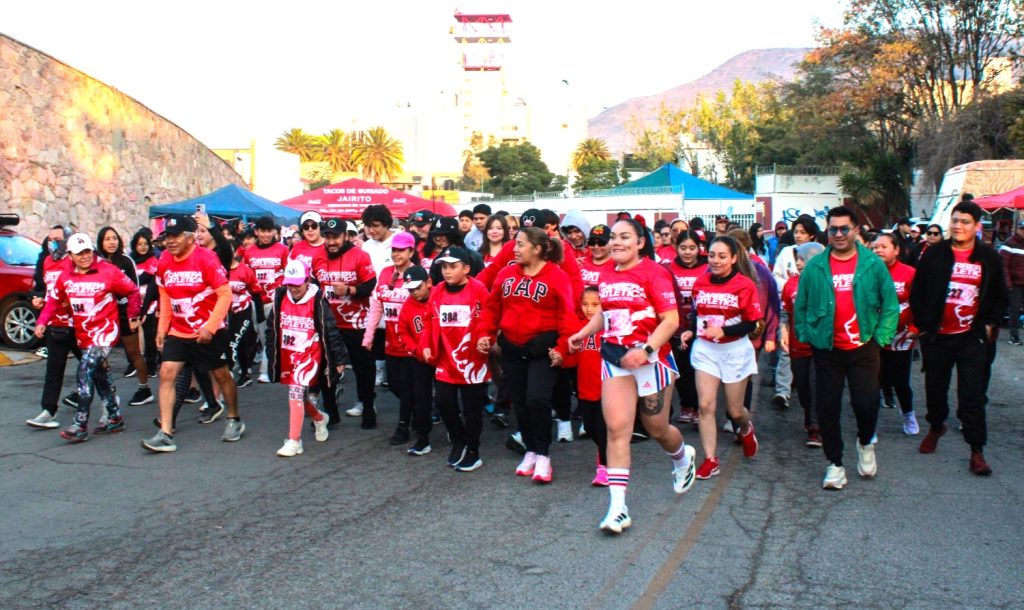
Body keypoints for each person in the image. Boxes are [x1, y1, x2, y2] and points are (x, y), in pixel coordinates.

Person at [568, 219, 695, 535]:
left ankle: (682, 457)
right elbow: (605, 311)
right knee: (616, 429)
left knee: (656, 428)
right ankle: (618, 508)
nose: (617, 242)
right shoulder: (607, 273)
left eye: (625, 237)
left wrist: (647, 350)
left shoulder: (655, 273)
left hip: (653, 361)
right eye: (614, 237)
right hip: (615, 359)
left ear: (640, 242)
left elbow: (670, 320)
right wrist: (583, 333)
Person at [794, 206, 898, 490]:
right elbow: (800, 306)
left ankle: (865, 443)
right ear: (827, 232)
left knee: (865, 404)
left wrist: (880, 339)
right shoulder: (815, 267)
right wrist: (808, 335)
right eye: (833, 229)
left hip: (864, 347)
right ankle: (835, 464)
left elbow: (890, 305)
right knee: (827, 407)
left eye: (843, 229)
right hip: (827, 349)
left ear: (855, 231)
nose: (838, 234)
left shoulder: (872, 264)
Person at [911, 201, 1007, 475]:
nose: (957, 226)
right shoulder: (934, 254)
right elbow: (918, 291)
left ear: (976, 226)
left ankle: (976, 451)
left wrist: (990, 324)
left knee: (972, 396)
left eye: (965, 221)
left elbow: (1000, 296)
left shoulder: (989, 257)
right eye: (954, 220)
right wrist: (923, 325)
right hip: (937, 338)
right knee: (935, 391)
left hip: (971, 339)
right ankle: (936, 425)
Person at [477, 228, 576, 483]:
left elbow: (567, 315)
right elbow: (491, 308)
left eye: (521, 244)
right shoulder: (506, 273)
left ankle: (543, 454)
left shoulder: (557, 276)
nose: (515, 249)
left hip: (543, 349)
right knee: (519, 401)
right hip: (511, 347)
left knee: (537, 399)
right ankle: (530, 450)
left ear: (538, 248)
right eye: (515, 244)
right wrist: (484, 334)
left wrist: (563, 347)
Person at [142, 215, 243, 452]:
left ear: (190, 238)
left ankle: (234, 417)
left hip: (209, 329)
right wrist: (162, 328)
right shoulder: (165, 260)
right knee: (167, 372)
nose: (170, 241)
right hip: (179, 330)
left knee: (221, 375)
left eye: (176, 236)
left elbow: (225, 294)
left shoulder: (206, 258)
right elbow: (165, 295)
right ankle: (166, 432)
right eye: (168, 236)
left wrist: (210, 326)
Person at [35, 233, 141, 442]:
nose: (84, 257)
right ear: (70, 256)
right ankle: (114, 416)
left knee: (84, 372)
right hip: (83, 334)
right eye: (79, 253)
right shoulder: (65, 276)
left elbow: (133, 291)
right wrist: (41, 321)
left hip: (105, 332)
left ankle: (80, 423)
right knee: (100, 375)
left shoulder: (108, 271)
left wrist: (133, 315)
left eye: (87, 252)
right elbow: (53, 301)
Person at [683, 236, 763, 479]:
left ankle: (746, 428)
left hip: (735, 351)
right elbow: (698, 313)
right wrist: (690, 329)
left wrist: (725, 331)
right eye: (712, 255)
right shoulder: (700, 282)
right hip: (706, 350)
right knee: (705, 405)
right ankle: (710, 459)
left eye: (722, 256)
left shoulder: (744, 285)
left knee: (735, 410)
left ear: (734, 258)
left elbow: (752, 323)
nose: (715, 261)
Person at [265, 260, 348, 457]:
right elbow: (271, 330)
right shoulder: (279, 297)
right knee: (299, 396)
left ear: (308, 280)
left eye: (298, 283)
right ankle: (320, 418)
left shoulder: (317, 300)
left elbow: (330, 330)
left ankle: (294, 440)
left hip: (310, 354)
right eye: (290, 284)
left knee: (295, 391)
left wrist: (339, 359)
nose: (293, 288)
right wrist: (271, 355)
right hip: (287, 353)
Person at [420, 246, 491, 472]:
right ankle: (458, 440)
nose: (447, 272)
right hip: (445, 361)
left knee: (472, 410)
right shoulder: (438, 291)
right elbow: (429, 320)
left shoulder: (479, 289)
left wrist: (483, 338)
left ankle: (473, 450)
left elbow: (487, 319)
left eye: (453, 267)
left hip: (473, 362)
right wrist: (427, 346)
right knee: (444, 403)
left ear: (466, 268)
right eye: (444, 267)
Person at [318, 217, 378, 428]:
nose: (331, 241)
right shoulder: (317, 257)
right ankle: (330, 412)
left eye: (335, 237)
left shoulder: (360, 256)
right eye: (327, 237)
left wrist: (350, 290)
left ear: (346, 236)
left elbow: (371, 285)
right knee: (326, 369)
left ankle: (368, 407)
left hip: (356, 324)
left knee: (364, 370)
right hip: (328, 325)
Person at [362, 231, 419, 444]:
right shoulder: (386, 273)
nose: (396, 254)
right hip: (391, 340)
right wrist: (369, 336)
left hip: (412, 342)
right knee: (394, 385)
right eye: (394, 250)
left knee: (405, 385)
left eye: (401, 250)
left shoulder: (419, 274)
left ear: (411, 251)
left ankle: (403, 426)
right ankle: (417, 408)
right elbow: (376, 305)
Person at [27, 226, 81, 429]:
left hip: (77, 324)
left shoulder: (76, 259)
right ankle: (48, 411)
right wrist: (37, 299)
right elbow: (41, 289)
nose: (53, 243)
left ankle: (109, 406)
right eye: (50, 239)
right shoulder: (47, 261)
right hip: (55, 323)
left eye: (57, 239)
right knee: (53, 370)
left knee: (92, 368)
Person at [95, 226, 154, 407]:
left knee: (134, 353)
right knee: (99, 356)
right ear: (100, 242)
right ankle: (107, 391)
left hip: (124, 314)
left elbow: (134, 291)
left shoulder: (126, 261)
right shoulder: (95, 262)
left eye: (114, 238)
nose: (111, 242)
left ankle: (144, 389)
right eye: (107, 239)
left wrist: (134, 315)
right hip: (104, 316)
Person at [870, 233, 919, 434]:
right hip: (873, 339)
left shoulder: (909, 273)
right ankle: (868, 425)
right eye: (875, 247)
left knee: (901, 382)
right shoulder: (867, 273)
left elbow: (920, 304)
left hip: (902, 339)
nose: (878, 250)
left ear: (896, 250)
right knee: (873, 383)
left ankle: (908, 415)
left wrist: (916, 329)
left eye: (883, 246)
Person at [771, 215, 820, 409]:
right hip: (790, 309)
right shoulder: (786, 253)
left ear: (812, 235)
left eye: (803, 232)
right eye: (796, 232)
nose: (798, 236)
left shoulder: (820, 257)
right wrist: (790, 288)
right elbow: (776, 275)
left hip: (816, 331)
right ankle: (783, 391)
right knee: (785, 352)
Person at [779, 242, 824, 447]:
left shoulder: (827, 282)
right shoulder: (791, 284)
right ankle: (809, 414)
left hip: (822, 344)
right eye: (797, 259)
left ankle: (816, 428)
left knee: (817, 385)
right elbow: (784, 312)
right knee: (803, 387)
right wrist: (783, 331)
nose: (798, 263)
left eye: (803, 259)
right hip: (798, 344)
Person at [662, 230, 707, 425]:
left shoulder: (707, 268)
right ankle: (686, 406)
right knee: (678, 369)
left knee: (696, 368)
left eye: (692, 248)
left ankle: (699, 408)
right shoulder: (667, 268)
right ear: (675, 248)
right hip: (674, 326)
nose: (687, 252)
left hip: (700, 326)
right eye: (683, 248)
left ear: (699, 248)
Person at [243, 216, 290, 383]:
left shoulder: (283, 250)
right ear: (256, 232)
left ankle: (266, 370)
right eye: (263, 231)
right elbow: (245, 276)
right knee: (261, 335)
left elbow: (289, 273)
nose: (266, 234)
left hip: (275, 300)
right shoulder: (249, 252)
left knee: (271, 334)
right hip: (255, 300)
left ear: (274, 232)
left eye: (269, 231)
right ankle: (271, 363)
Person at [571, 286, 610, 485]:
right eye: (585, 304)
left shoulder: (608, 330)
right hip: (584, 388)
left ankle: (604, 466)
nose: (589, 309)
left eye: (595, 304)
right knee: (588, 426)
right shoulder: (578, 328)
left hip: (606, 388)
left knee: (602, 428)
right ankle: (608, 452)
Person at [395, 265, 436, 456]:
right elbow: (403, 331)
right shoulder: (408, 305)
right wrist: (416, 349)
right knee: (421, 398)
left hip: (444, 357)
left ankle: (456, 431)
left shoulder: (439, 296)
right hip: (420, 358)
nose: (414, 293)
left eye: (417, 288)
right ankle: (423, 437)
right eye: (410, 289)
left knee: (446, 398)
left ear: (428, 283)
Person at [361, 204, 397, 389]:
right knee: (375, 336)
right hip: (373, 301)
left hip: (396, 301)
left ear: (386, 224)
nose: (371, 230)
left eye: (375, 225)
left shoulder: (399, 241)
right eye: (368, 225)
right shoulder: (367, 246)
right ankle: (379, 371)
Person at [227, 253, 264, 388]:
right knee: (227, 340)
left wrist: (260, 316)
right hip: (224, 312)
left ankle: (245, 372)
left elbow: (255, 291)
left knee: (239, 340)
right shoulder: (218, 269)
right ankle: (230, 371)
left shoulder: (244, 270)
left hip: (243, 310)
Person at [130, 229, 160, 376]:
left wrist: (130, 282)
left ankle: (151, 364)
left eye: (145, 244)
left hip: (149, 303)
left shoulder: (153, 260)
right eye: (139, 244)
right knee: (134, 334)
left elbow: (144, 279)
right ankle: (135, 363)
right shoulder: (131, 261)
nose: (143, 247)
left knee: (149, 334)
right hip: (134, 302)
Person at [998, 219, 1024, 346]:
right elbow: (1003, 266)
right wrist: (1008, 284)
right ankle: (1014, 336)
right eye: (1022, 229)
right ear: (1017, 229)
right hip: (1014, 284)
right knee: (1014, 310)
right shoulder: (1009, 244)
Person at [289, 211, 328, 275]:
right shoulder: (297, 247)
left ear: (320, 226)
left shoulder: (330, 246)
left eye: (314, 226)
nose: (310, 229)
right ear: (302, 229)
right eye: (306, 227)